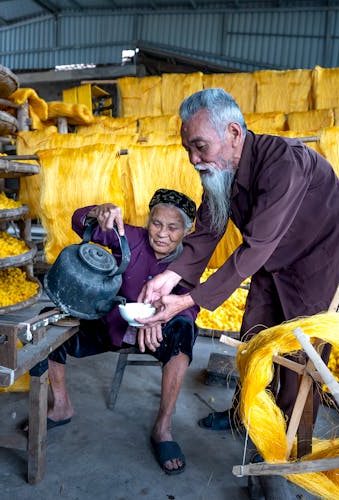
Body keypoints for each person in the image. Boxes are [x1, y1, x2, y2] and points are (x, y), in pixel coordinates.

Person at [137, 88, 339, 433]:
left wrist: (189, 299)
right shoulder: (221, 170)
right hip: (274, 257)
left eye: (200, 147)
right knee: (254, 337)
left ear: (233, 133)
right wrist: (169, 277)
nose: (194, 159)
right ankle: (244, 417)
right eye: (189, 150)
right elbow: (209, 229)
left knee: (299, 354)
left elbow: (256, 246)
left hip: (318, 261)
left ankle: (287, 445)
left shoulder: (284, 162)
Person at [38, 188, 200, 475]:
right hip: (110, 326)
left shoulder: (189, 259)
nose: (162, 233)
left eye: (173, 228)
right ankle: (61, 405)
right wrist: (98, 210)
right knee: (47, 325)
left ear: (186, 231)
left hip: (156, 336)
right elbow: (78, 223)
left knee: (185, 329)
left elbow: (191, 303)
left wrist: (163, 318)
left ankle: (163, 427)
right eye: (157, 223)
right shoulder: (132, 237)